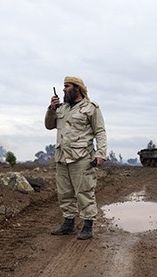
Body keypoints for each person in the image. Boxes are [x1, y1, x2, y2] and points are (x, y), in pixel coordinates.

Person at [45, 76, 107, 240]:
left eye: (67, 86)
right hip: (62, 157)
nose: (64, 89)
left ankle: (87, 226)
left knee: (84, 191)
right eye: (63, 86)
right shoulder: (61, 108)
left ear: (77, 88)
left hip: (82, 158)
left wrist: (101, 154)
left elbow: (100, 132)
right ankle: (68, 223)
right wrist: (51, 108)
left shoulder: (91, 108)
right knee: (64, 192)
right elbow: (49, 125)